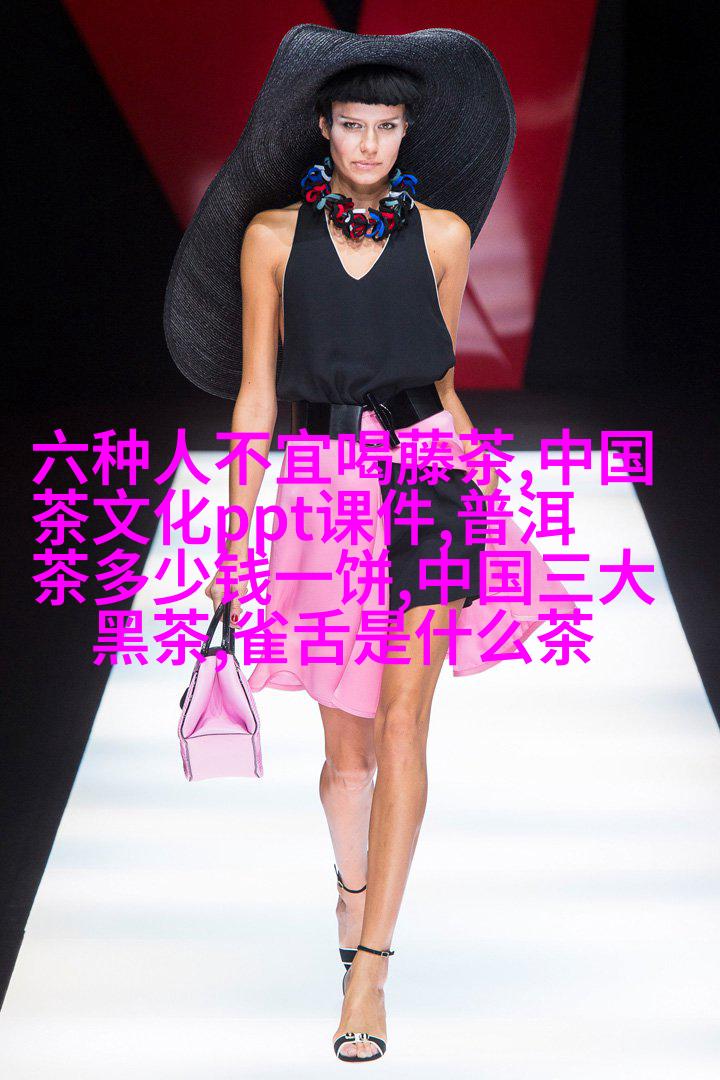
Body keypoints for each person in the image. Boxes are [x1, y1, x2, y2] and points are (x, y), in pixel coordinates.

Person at [164, 25, 572, 1062]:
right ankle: (351, 893)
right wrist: (233, 534)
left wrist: (488, 486)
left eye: (386, 127)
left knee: (403, 731)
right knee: (345, 761)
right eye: (352, 125)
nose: (368, 144)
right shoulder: (270, 237)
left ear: (404, 134)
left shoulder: (445, 235)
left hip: (430, 479)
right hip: (320, 492)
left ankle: (370, 974)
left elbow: (440, 381)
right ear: (323, 127)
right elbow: (258, 397)